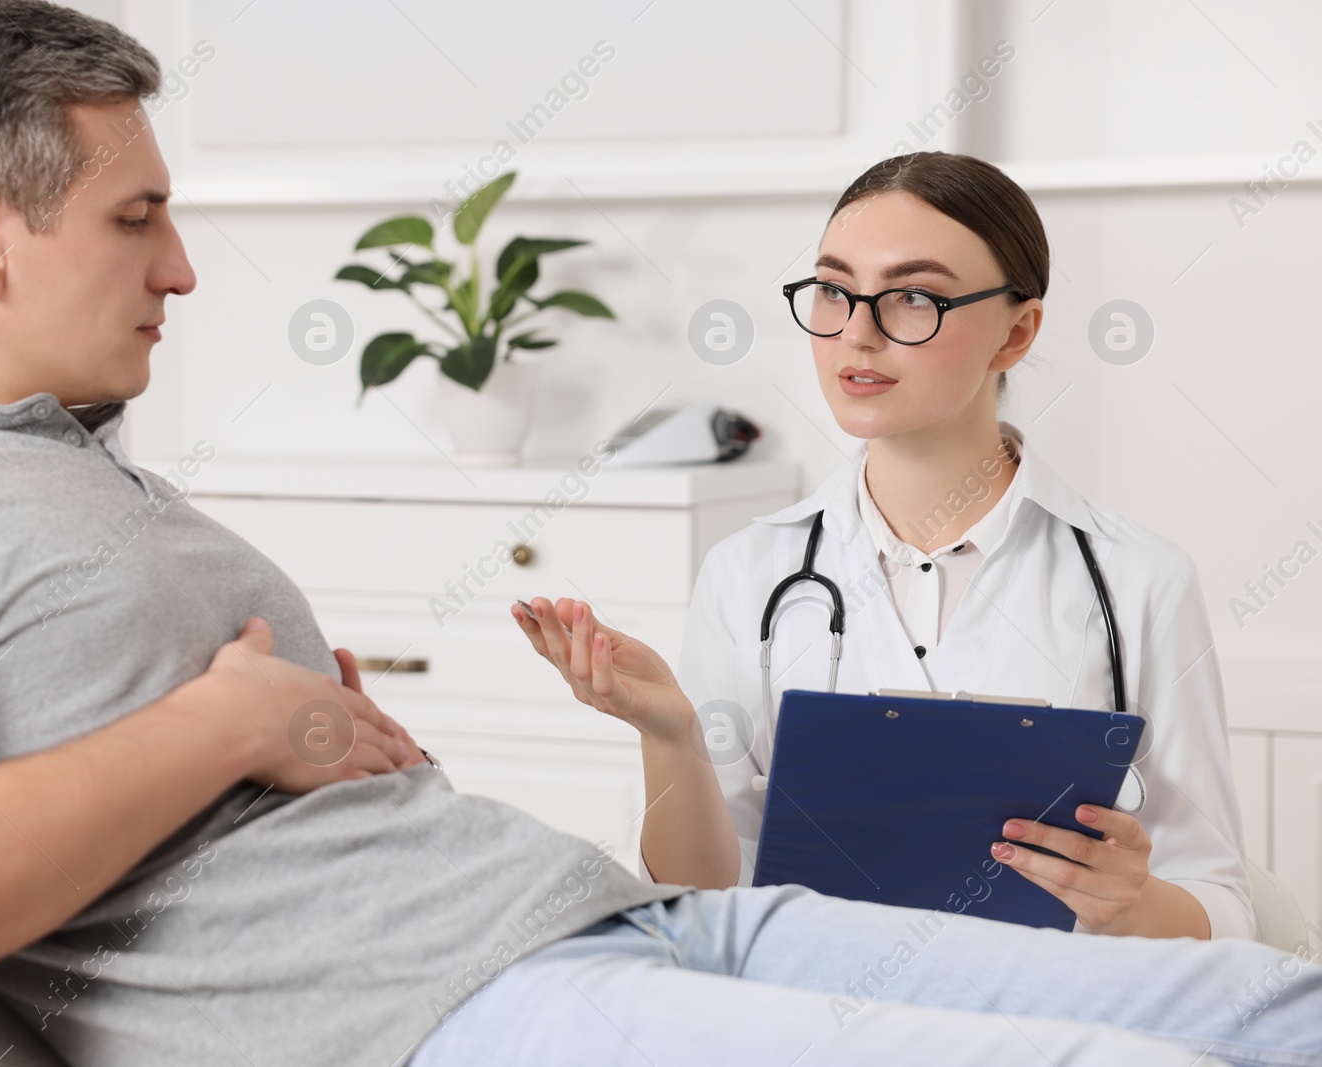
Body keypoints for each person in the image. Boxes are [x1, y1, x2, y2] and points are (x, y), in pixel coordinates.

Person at [0, 5, 1316, 1066]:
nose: (188, 269)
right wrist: (225, 720)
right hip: (451, 1001)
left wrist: (290, 726)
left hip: (606, 916)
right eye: (139, 218)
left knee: (1267, 1006)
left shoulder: (98, 477)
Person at [514, 151, 1252, 941]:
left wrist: (1128, 900)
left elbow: (1224, 907)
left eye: (913, 297)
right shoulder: (747, 572)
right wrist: (670, 738)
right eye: (834, 290)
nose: (856, 335)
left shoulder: (1139, 581)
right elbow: (701, 896)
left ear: (1017, 330)